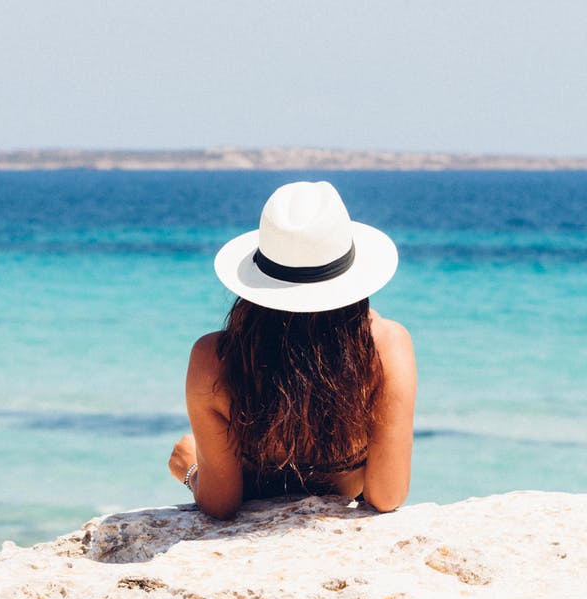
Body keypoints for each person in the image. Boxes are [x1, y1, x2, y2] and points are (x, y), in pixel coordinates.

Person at [168, 181, 416, 519]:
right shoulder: (385, 347)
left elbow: (221, 504)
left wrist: (190, 468)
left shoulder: (214, 358)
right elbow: (387, 496)